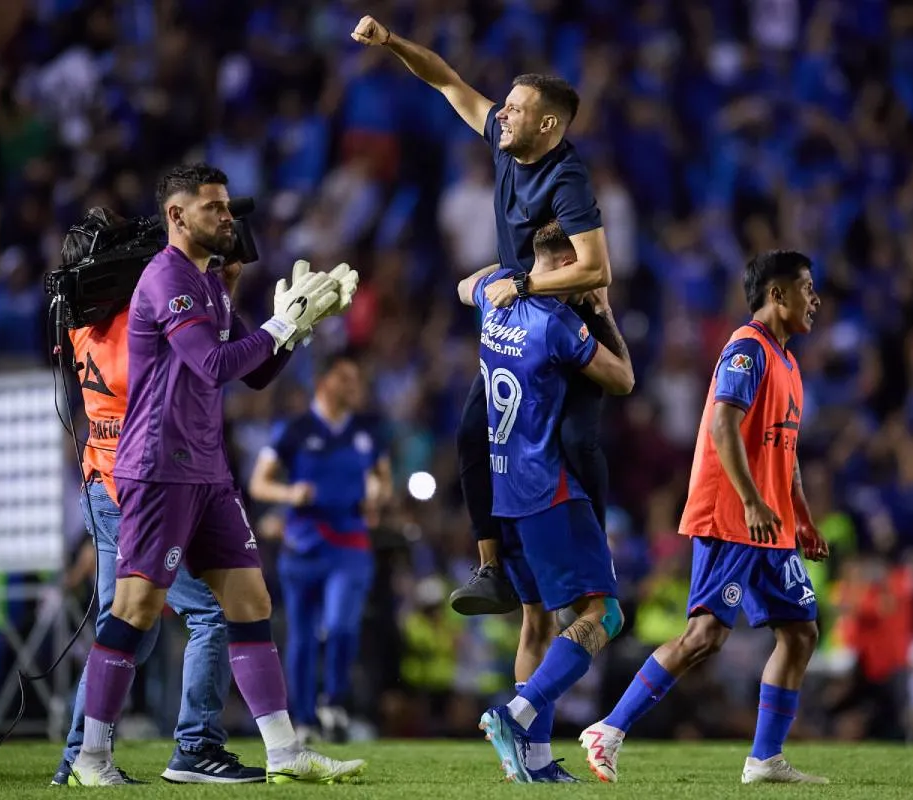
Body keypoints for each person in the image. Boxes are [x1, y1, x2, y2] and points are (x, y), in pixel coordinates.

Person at [68, 163, 365, 786]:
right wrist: (283, 323)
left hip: (206, 470)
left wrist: (295, 329)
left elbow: (250, 373)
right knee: (136, 608)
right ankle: (90, 759)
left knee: (250, 601)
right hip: (157, 469)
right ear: (177, 216)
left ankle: (284, 752)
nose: (228, 218)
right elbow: (210, 364)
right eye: (214, 208)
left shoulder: (206, 283)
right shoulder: (168, 277)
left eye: (228, 207)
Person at [352, 14, 618, 617]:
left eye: (517, 109)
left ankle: (597, 557)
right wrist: (393, 42)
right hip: (516, 328)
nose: (502, 114)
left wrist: (519, 280)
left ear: (547, 123)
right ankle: (491, 568)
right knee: (473, 434)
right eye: (506, 106)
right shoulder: (504, 147)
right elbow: (447, 82)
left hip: (565, 322)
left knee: (576, 436)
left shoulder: (567, 177)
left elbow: (598, 269)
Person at [579, 250, 830, 785]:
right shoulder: (747, 349)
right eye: (806, 288)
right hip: (733, 516)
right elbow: (722, 426)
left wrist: (801, 516)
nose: (815, 299)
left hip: (771, 525)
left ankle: (765, 759)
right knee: (705, 636)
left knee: (801, 632)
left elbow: (785, 448)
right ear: (777, 294)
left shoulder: (788, 361)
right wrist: (751, 500)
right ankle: (610, 729)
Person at [50, 206, 266, 785]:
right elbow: (203, 367)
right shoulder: (141, 315)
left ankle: (78, 758)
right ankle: (196, 746)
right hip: (143, 488)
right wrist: (216, 300)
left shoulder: (83, 324)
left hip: (102, 484)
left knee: (124, 629)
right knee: (213, 613)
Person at [456, 220, 634, 783]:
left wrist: (517, 275)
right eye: (582, 265)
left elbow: (466, 284)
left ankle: (532, 765)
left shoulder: (493, 298)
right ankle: (516, 714)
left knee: (536, 621)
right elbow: (624, 379)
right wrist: (602, 309)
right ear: (562, 265)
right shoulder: (557, 323)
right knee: (602, 613)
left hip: (501, 488)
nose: (591, 276)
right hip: (547, 487)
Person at [248, 352, 392, 744]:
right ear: (323, 382)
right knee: (302, 635)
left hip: (350, 543)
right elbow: (259, 483)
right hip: (304, 543)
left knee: (343, 624)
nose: (353, 386)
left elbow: (384, 481)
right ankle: (306, 718)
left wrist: (377, 494)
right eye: (345, 378)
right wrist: (290, 492)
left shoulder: (367, 432)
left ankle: (334, 700)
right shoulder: (293, 430)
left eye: (355, 379)